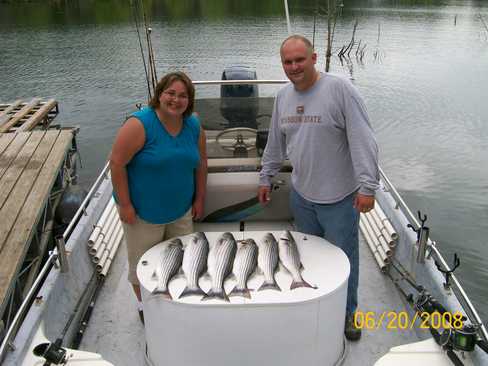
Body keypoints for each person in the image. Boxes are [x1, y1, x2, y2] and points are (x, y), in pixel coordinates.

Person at [258, 35, 379, 341]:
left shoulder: (341, 90)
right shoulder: (283, 96)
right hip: (302, 197)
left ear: (313, 59)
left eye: (300, 59)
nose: (294, 66)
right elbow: (276, 142)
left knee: (344, 260)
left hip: (341, 199)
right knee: (309, 258)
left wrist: (368, 187)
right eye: (288, 61)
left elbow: (364, 140)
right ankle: (314, 302)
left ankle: (349, 314)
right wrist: (266, 176)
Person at [110, 71, 207, 323]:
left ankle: (175, 301)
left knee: (183, 261)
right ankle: (146, 307)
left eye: (183, 95)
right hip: (143, 214)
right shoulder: (139, 124)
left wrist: (199, 199)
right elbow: (117, 164)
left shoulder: (194, 125)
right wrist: (125, 204)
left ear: (190, 100)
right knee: (141, 267)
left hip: (181, 211)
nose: (176, 100)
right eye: (170, 93)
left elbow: (201, 165)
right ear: (159, 94)